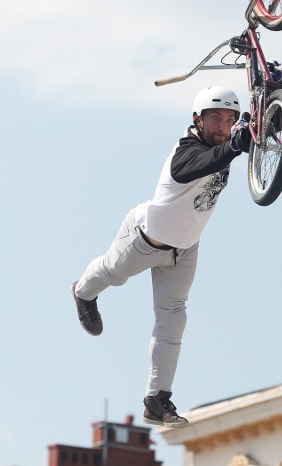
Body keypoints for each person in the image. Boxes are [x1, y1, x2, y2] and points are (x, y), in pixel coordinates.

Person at [71, 85, 251, 428]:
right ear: (197, 120)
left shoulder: (225, 142)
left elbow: (249, 138)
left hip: (184, 250)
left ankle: (157, 401)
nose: (223, 127)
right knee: (112, 273)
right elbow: (206, 163)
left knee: (173, 319)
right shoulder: (186, 152)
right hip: (144, 241)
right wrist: (235, 144)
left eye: (229, 120)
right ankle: (82, 291)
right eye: (215, 119)